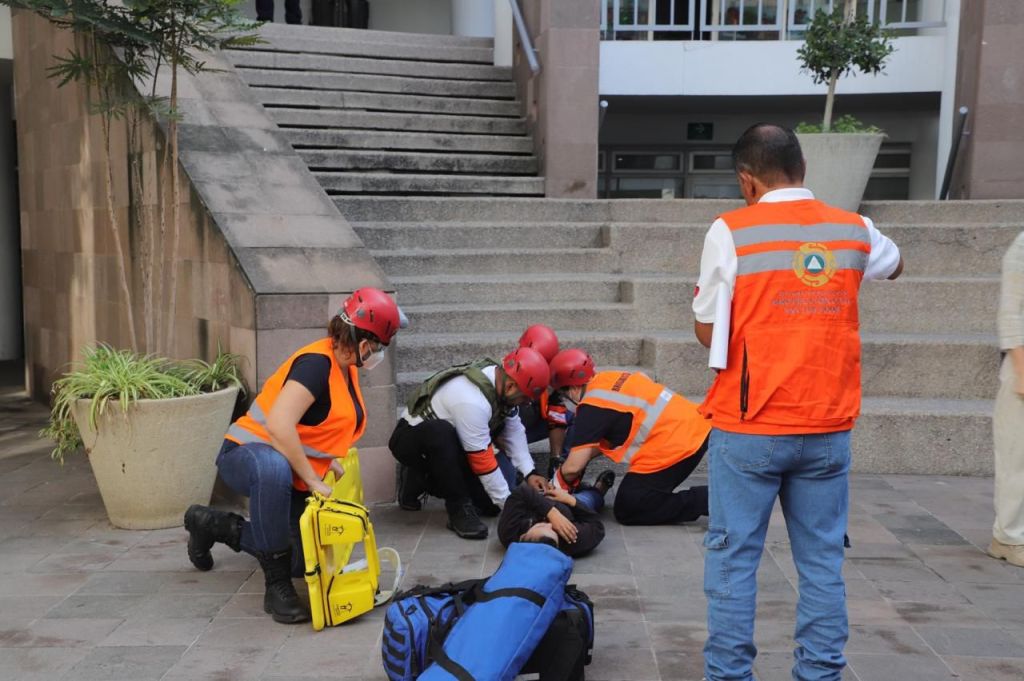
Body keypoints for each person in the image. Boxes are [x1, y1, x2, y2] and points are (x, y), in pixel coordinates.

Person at [694, 123, 903, 681]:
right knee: (821, 564)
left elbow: (707, 327)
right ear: (802, 169)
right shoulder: (854, 228)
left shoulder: (731, 230)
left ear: (747, 181)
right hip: (829, 426)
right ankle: (819, 674)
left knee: (734, 560)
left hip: (751, 426)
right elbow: (894, 262)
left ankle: (730, 675)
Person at [183, 287, 401, 624]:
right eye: (379, 346)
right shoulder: (316, 365)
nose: (379, 354)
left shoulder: (347, 368)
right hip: (246, 455)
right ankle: (276, 586)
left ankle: (212, 525)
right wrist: (313, 477)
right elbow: (280, 425)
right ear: (363, 343)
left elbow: (317, 426)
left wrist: (327, 461)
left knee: (304, 560)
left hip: (286, 468)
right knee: (273, 470)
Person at [390, 347, 551, 540]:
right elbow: (482, 461)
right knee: (441, 433)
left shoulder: (503, 383)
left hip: (454, 446)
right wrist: (512, 507)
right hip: (412, 439)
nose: (524, 404)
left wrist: (529, 472)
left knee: (489, 505)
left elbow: (514, 429)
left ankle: (423, 479)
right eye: (524, 398)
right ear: (511, 387)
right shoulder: (472, 400)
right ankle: (454, 506)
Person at [551, 359, 712, 526]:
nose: (563, 403)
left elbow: (572, 468)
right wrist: (583, 456)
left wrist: (556, 481)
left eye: (562, 396)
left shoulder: (590, 408)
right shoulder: (608, 379)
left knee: (630, 507)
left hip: (678, 443)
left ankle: (710, 500)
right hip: (692, 424)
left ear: (574, 388)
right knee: (639, 494)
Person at [989, 231, 1024, 567]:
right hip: (1022, 365)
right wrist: (1021, 369)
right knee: (1017, 457)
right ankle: (1008, 537)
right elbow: (1011, 312)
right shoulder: (1023, 245)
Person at [497, 480, 611, 558]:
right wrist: (571, 500)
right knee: (588, 499)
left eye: (539, 525)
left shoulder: (509, 533)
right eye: (553, 530)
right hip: (569, 505)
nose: (549, 524)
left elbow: (521, 492)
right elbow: (597, 527)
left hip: (539, 496)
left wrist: (551, 513)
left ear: (523, 537)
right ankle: (598, 490)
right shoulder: (571, 539)